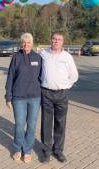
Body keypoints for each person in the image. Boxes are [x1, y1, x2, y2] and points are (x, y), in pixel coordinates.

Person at [40, 32, 79, 163]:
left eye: (59, 39)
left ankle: (58, 151)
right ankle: (46, 151)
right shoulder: (43, 54)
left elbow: (74, 75)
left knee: (60, 123)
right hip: (46, 93)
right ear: (51, 40)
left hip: (62, 94)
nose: (56, 41)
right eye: (54, 39)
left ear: (63, 42)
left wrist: (65, 86)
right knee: (46, 123)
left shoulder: (67, 57)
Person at [5, 33, 42, 163]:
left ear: (32, 43)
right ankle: (17, 149)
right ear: (21, 43)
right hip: (18, 98)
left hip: (35, 98)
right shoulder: (16, 57)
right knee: (20, 125)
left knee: (31, 125)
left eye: (29, 42)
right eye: (24, 42)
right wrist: (8, 96)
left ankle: (27, 150)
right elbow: (10, 77)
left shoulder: (38, 58)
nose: (26, 44)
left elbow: (42, 78)